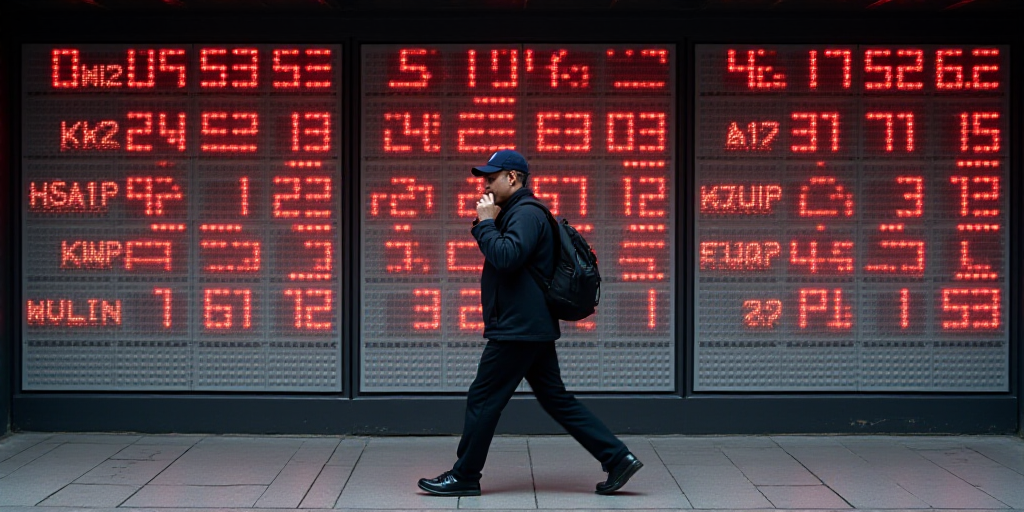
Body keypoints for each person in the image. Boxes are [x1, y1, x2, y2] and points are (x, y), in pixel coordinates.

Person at [417, 149, 643, 497]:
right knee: (556, 399)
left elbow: (507, 256)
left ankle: (464, 475)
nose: (485, 186)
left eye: (491, 178)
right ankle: (617, 457)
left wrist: (485, 224)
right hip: (529, 325)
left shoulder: (525, 213)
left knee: (483, 398)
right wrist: (490, 222)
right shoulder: (521, 212)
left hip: (517, 328)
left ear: (513, 178)